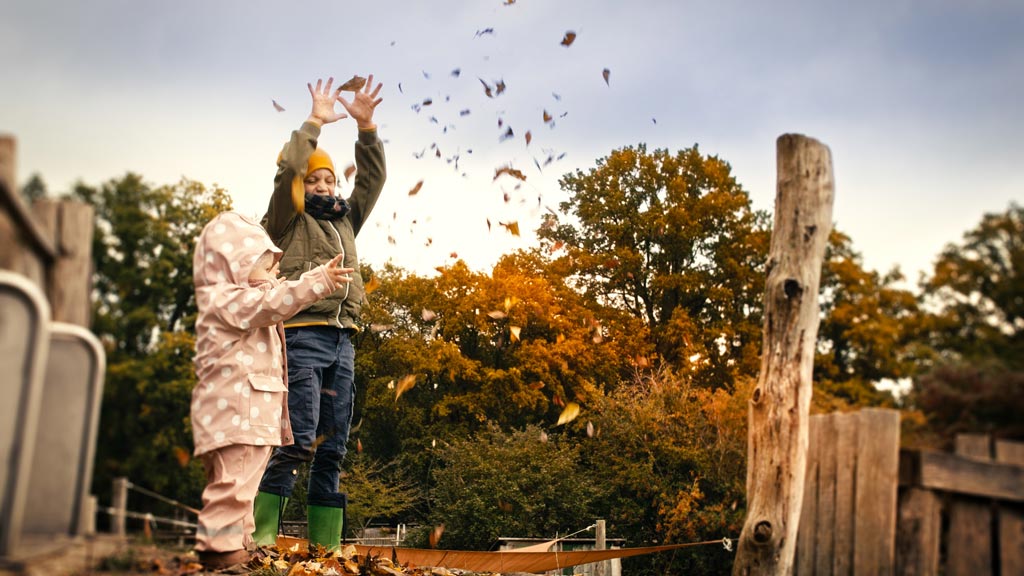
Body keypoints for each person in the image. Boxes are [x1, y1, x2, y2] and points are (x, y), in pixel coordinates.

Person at [252, 74, 385, 551]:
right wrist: (314, 122)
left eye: (329, 178)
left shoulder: (346, 218)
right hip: (302, 334)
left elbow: (372, 180)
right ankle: (263, 537)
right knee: (298, 436)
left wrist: (366, 130)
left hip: (341, 339)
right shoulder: (286, 219)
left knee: (333, 445)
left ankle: (326, 548)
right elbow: (288, 168)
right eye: (314, 179)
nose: (323, 185)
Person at [191, 210, 353, 570]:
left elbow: (274, 297)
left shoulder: (238, 301)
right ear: (236, 264)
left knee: (243, 485)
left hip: (248, 412)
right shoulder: (232, 300)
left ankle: (241, 540)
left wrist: (289, 282)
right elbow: (274, 301)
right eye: (267, 266)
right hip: (239, 413)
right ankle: (221, 550)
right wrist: (319, 280)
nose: (275, 273)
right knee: (234, 483)